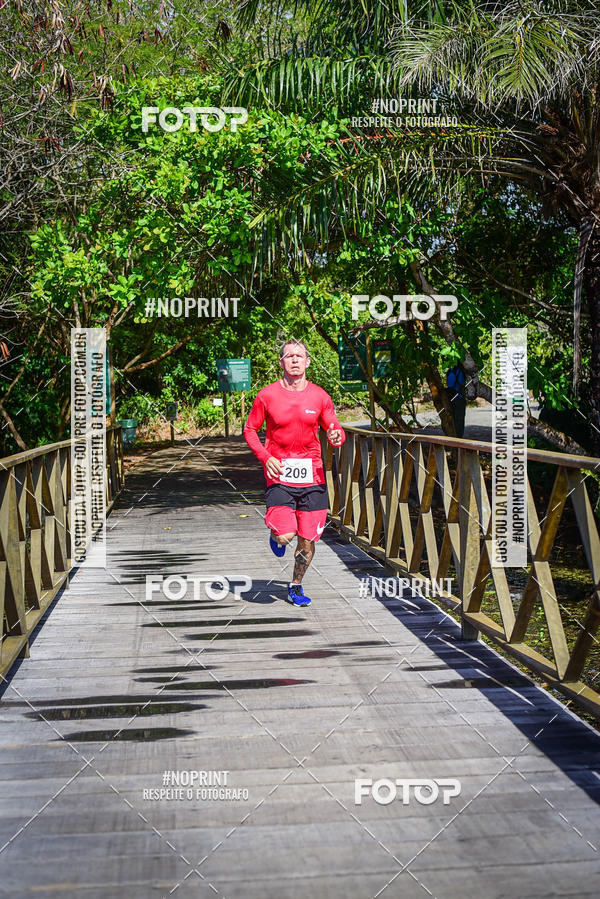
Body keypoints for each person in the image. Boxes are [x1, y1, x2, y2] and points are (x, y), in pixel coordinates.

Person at [243, 339, 346, 606]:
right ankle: (276, 533)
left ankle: (295, 586)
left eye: (300, 356)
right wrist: (265, 457)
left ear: (308, 361)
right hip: (280, 475)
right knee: (285, 535)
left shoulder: (320, 396)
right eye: (289, 356)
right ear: (281, 363)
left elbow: (334, 427)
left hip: (313, 477)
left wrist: (336, 436)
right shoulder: (267, 395)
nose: (295, 360)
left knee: (307, 540)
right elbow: (250, 430)